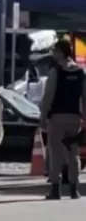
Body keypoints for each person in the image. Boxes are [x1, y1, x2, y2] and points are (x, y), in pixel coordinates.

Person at [39, 39, 86, 199]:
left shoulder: (56, 71)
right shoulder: (80, 72)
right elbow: (85, 98)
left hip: (57, 117)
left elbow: (48, 97)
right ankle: (74, 189)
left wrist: (43, 116)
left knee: (56, 153)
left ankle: (55, 189)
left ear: (60, 52)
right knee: (73, 154)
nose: (53, 53)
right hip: (74, 118)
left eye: (55, 50)